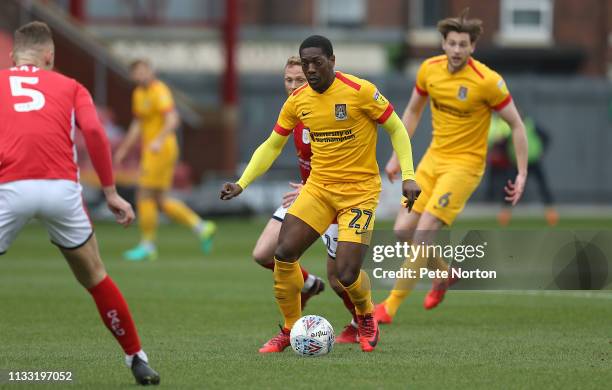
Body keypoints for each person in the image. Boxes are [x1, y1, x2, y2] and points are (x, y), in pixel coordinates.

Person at [221, 35, 420, 353]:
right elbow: (273, 144)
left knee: (345, 273)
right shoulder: (298, 100)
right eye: (305, 63)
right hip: (319, 188)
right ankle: (289, 329)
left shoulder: (360, 91)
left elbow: (396, 127)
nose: (310, 69)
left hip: (359, 193)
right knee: (283, 253)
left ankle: (366, 315)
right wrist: (242, 182)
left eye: (316, 62)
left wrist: (408, 176)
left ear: (332, 61)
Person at [0, 21, 159, 385]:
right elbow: (94, 133)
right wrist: (110, 192)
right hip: (61, 190)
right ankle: (137, 358)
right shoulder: (71, 86)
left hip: (9, 188)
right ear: (50, 56)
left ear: (12, 57)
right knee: (95, 276)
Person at [374, 9, 528, 323]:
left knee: (423, 234)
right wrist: (395, 157)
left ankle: (388, 306)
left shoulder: (488, 82)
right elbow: (413, 113)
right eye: (452, 43)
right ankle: (444, 275)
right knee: (403, 230)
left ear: (472, 47)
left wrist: (522, 173)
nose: (457, 50)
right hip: (431, 163)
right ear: (443, 44)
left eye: (463, 45)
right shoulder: (428, 70)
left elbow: (517, 125)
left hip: (464, 169)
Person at [251, 57, 361, 351]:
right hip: (306, 195)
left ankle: (359, 321)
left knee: (339, 280)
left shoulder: (331, 110)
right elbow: (271, 146)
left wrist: (313, 186)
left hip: (337, 198)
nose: (294, 86)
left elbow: (350, 159)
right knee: (264, 253)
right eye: (289, 80)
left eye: (300, 80)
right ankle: (307, 286)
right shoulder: (295, 109)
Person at [114, 59, 216, 261]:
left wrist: (158, 141)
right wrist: (124, 149)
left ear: (151, 71)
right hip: (153, 151)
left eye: (144, 70)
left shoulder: (159, 90)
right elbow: (138, 123)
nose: (141, 75)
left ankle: (148, 245)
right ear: (133, 76)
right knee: (160, 199)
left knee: (144, 194)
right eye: (137, 72)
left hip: (161, 150)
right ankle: (201, 227)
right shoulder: (139, 93)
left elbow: (173, 119)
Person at [488, 113, 558, 226]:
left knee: (543, 187)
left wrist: (541, 151)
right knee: (510, 187)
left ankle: (551, 213)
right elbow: (503, 142)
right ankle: (505, 214)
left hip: (533, 161)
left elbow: (546, 137)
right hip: (517, 163)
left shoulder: (530, 124)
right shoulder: (510, 127)